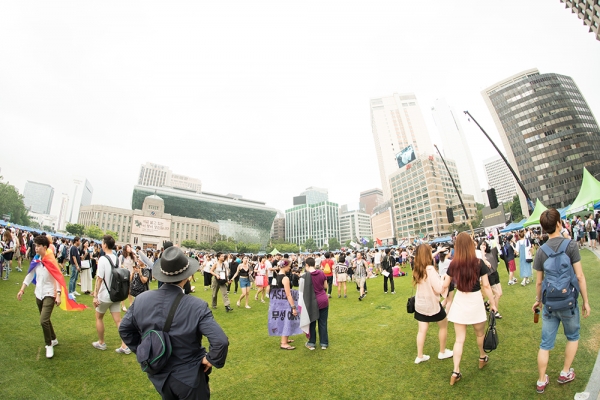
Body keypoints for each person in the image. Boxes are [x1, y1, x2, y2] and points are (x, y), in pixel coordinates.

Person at [120, 246, 229, 400]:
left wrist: (143, 350)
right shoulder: (196, 305)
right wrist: (210, 359)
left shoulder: (141, 300)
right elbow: (221, 341)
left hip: (160, 376)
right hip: (188, 376)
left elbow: (125, 329)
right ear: (186, 276)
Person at [532, 209, 591, 394]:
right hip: (569, 301)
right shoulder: (571, 245)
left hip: (549, 303)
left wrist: (538, 301)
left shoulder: (541, 251)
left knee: (545, 344)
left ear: (544, 228)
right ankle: (565, 372)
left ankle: (541, 380)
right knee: (572, 336)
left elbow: (539, 282)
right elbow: (580, 276)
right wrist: (586, 302)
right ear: (559, 223)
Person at [442, 232, 497, 385]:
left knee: (459, 340)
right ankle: (482, 357)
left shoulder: (453, 264)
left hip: (460, 300)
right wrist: (493, 303)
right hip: (475, 301)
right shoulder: (478, 263)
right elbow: (486, 285)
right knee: (479, 335)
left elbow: (445, 285)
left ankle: (456, 371)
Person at [17, 235, 61, 358]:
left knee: (43, 320)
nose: (36, 248)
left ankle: (49, 345)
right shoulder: (36, 260)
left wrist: (58, 295)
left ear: (45, 247)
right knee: (45, 319)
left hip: (49, 294)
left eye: (38, 246)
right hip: (38, 294)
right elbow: (29, 275)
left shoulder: (51, 262)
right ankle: (54, 339)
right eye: (35, 245)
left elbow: (58, 278)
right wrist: (22, 290)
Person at [412, 244, 453, 364]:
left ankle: (420, 356)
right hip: (431, 304)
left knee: (422, 330)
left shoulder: (417, 268)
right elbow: (440, 289)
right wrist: (446, 278)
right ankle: (442, 351)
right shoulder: (429, 269)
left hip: (420, 304)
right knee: (443, 325)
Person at [91, 235, 131, 354]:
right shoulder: (116, 258)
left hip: (105, 294)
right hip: (116, 293)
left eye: (102, 243)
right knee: (118, 321)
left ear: (105, 245)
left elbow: (99, 279)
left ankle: (101, 342)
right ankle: (125, 345)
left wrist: (95, 296)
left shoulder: (103, 259)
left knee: (99, 317)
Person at [303, 257, 329, 350]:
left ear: (306, 264)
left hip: (311, 302)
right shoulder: (321, 273)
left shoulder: (305, 276)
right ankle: (324, 343)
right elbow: (325, 286)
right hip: (323, 299)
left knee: (312, 323)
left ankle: (312, 342)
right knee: (322, 322)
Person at [275, 259, 298, 350]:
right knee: (286, 322)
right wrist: (293, 307)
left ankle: (285, 339)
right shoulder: (285, 278)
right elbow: (288, 294)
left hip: (279, 302)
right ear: (284, 266)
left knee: (286, 321)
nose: (290, 268)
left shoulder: (278, 276)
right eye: (289, 266)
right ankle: (283, 343)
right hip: (285, 303)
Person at [479, 240, 502, 319]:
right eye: (482, 245)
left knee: (500, 293)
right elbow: (483, 260)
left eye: (485, 244)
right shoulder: (480, 255)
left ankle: (487, 303)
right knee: (497, 294)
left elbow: (497, 248)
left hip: (495, 273)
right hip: (489, 275)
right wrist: (482, 250)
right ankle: (495, 311)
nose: (484, 246)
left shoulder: (490, 252)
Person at [119, 244, 137, 311]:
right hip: (123, 274)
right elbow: (119, 265)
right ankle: (123, 305)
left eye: (130, 247)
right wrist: (122, 267)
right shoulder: (122, 257)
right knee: (123, 290)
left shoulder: (132, 257)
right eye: (128, 247)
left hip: (130, 274)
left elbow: (133, 266)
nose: (129, 248)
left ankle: (131, 304)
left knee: (129, 290)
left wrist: (132, 273)